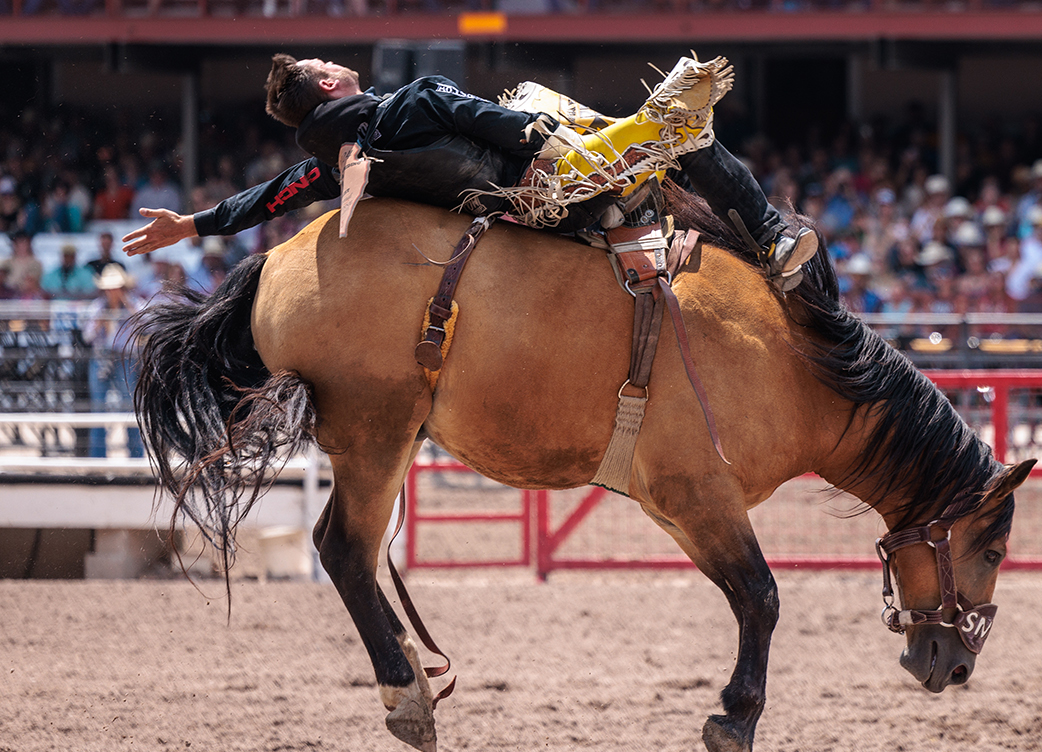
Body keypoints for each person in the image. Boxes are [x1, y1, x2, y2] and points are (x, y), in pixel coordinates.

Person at [124, 54, 816, 290]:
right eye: (326, 63)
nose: (336, 62)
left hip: (522, 225)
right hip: (564, 181)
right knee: (683, 127)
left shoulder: (340, 163)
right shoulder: (416, 96)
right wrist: (571, 137)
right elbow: (501, 125)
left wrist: (191, 224)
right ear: (330, 83)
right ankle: (771, 240)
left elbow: (271, 196)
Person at [82, 264, 146, 458]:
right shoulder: (97, 307)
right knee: (98, 406)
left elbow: (146, 323)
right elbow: (87, 336)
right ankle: (97, 458)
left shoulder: (135, 303)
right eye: (109, 288)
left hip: (126, 358)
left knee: (129, 405)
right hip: (102, 358)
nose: (112, 292)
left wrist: (126, 305)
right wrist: (99, 321)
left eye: (116, 287)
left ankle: (135, 457)